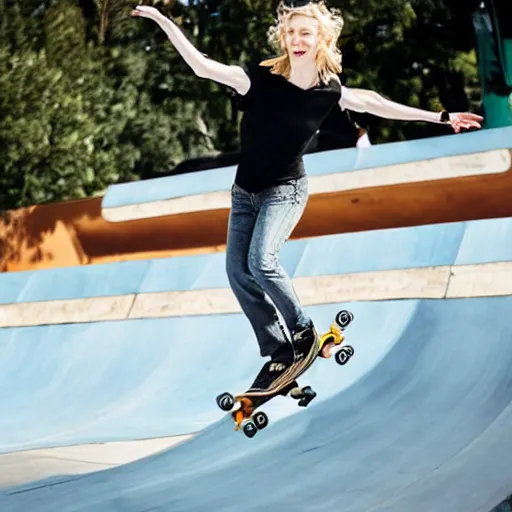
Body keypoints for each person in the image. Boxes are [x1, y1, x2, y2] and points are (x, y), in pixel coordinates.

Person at [131, 1, 483, 394]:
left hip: (286, 190)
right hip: (244, 194)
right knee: (236, 272)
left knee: (261, 261)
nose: (297, 40)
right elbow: (201, 66)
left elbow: (377, 104)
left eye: (306, 33)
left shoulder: (329, 90)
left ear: (321, 40)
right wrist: (165, 22)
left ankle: (302, 332)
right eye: (291, 32)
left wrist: (440, 117)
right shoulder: (258, 79)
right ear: (283, 38)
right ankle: (278, 350)